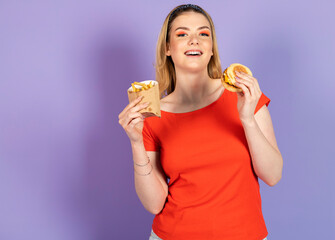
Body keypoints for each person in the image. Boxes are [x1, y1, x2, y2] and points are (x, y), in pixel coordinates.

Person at [118, 4, 283, 240]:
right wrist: (135, 142)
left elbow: (273, 175)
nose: (194, 40)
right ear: (167, 48)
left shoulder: (243, 95)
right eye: (182, 34)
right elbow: (154, 204)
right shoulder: (153, 114)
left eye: (203, 34)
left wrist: (246, 118)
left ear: (212, 48)